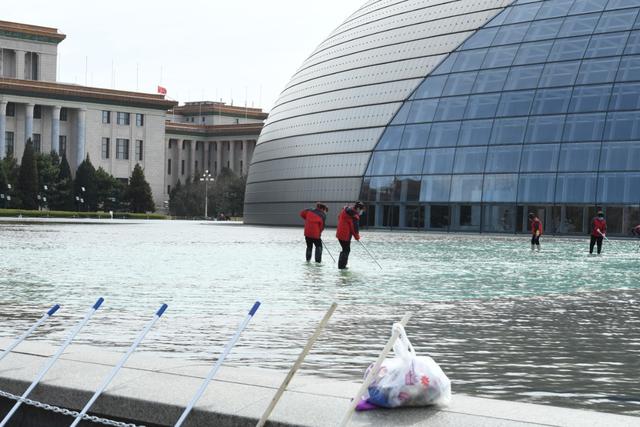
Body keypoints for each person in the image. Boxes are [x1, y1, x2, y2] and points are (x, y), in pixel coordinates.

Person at [336, 201, 364, 269]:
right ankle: (342, 266)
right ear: (358, 209)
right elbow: (354, 228)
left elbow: (339, 217)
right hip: (346, 235)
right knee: (346, 250)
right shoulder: (354, 215)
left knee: (345, 249)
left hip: (340, 233)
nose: (361, 212)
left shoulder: (346, 210)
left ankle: (342, 265)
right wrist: (357, 237)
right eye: (361, 210)